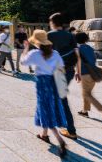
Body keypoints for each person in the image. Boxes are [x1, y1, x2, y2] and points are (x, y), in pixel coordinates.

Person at [20, 30, 67, 158]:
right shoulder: (55, 53)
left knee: (45, 109)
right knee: (46, 107)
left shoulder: (35, 53)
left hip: (41, 84)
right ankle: (44, 134)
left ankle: (60, 141)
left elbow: (23, 62)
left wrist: (25, 48)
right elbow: (61, 67)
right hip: (52, 83)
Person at [47, 12, 79, 140]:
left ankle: (71, 130)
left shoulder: (49, 35)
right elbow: (77, 53)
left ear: (53, 23)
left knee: (62, 99)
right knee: (59, 97)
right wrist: (78, 71)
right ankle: (63, 124)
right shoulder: (70, 36)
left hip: (57, 71)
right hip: (70, 70)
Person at [75, 32, 102, 121]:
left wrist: (77, 73)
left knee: (87, 94)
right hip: (93, 74)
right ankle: (84, 111)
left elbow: (78, 62)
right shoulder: (91, 49)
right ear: (86, 39)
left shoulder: (78, 49)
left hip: (85, 74)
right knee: (87, 93)